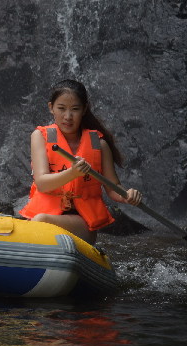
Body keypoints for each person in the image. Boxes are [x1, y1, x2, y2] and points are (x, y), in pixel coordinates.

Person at [20, 79, 142, 242]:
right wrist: (72, 173)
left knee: (41, 221)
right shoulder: (40, 137)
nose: (68, 117)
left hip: (81, 224)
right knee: (39, 221)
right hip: (45, 215)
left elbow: (113, 189)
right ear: (51, 108)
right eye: (61, 109)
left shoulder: (99, 145)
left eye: (75, 109)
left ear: (84, 109)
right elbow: (42, 182)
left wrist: (126, 195)